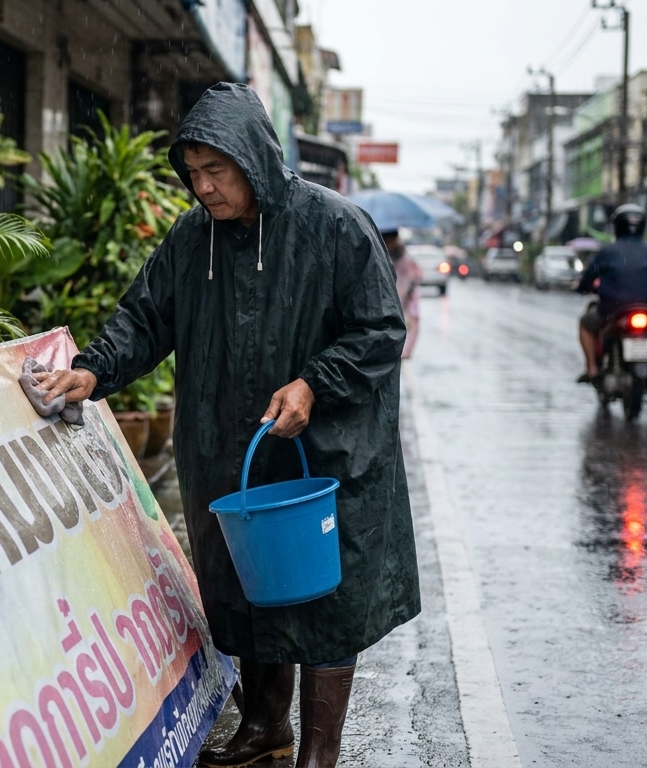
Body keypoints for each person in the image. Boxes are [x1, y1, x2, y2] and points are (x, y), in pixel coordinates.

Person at [31, 82, 419, 768]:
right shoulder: (190, 240)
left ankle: (319, 756)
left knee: (324, 599)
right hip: (227, 445)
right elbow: (145, 319)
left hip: (325, 452)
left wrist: (312, 384)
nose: (204, 188)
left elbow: (381, 332)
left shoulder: (333, 226)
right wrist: (92, 372)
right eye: (194, 175)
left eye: (218, 172)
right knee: (248, 587)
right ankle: (266, 727)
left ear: (255, 160)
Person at [575, 204, 647, 384]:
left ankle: (592, 370)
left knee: (585, 325)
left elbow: (589, 277)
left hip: (612, 309)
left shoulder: (607, 252)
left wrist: (582, 287)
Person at [384, 230, 422, 359]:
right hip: (387, 300)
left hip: (405, 297)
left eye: (392, 240)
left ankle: (405, 352)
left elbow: (416, 275)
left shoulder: (404, 256)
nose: (390, 244)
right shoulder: (378, 254)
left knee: (411, 322)